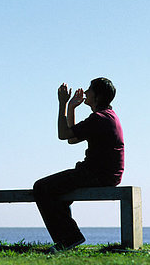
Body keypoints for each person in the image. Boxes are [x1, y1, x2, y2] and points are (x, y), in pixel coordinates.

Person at [33, 78, 124, 252]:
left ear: (97, 96)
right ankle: (68, 239)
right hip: (102, 173)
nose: (86, 92)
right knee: (55, 190)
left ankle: (69, 238)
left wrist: (62, 103)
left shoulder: (99, 118)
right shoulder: (106, 116)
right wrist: (71, 108)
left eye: (90, 90)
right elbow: (72, 139)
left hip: (97, 174)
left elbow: (63, 134)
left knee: (41, 187)